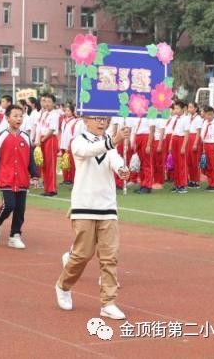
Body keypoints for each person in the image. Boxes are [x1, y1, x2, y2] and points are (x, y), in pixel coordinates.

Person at [55, 116, 130, 320]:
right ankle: (63, 285)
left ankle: (108, 302)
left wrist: (122, 170)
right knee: (82, 255)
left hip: (107, 207)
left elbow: (115, 160)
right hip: (84, 206)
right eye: (96, 119)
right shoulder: (79, 141)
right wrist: (113, 141)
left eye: (104, 119)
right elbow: (89, 152)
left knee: (109, 257)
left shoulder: (109, 144)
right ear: (86, 121)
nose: (101, 123)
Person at [0, 105, 39, 249]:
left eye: (21, 116)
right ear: (7, 118)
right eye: (15, 116)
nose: (18, 119)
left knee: (20, 209)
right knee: (9, 205)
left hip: (22, 178)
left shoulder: (26, 137)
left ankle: (15, 235)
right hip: (6, 178)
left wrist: (34, 175)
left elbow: (30, 159)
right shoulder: (2, 136)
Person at [36, 94, 59, 197]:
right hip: (43, 139)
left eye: (49, 101)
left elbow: (52, 129)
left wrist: (43, 139)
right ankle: (47, 188)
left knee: (51, 164)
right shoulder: (44, 113)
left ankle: (52, 189)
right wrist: (39, 140)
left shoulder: (55, 114)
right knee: (44, 164)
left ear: (54, 103)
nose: (47, 104)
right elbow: (40, 128)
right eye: (45, 101)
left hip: (50, 139)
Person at [132, 115, 156, 194]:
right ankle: (143, 184)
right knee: (141, 164)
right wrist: (134, 142)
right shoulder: (137, 117)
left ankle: (148, 185)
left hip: (146, 137)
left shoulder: (150, 115)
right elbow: (135, 130)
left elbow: (152, 130)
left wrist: (148, 145)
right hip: (138, 138)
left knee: (147, 163)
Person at [170, 101, 190, 193]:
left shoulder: (186, 118)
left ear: (182, 109)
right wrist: (170, 144)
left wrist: (183, 146)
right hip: (174, 139)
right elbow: (172, 132)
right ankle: (177, 184)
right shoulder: (174, 118)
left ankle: (183, 184)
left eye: (178, 108)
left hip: (181, 140)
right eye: (175, 108)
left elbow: (186, 133)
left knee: (182, 164)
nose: (176, 110)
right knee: (176, 163)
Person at [201, 106, 214, 192]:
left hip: (213, 145)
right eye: (207, 115)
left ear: (213, 115)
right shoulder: (204, 122)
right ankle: (210, 183)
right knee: (207, 165)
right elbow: (203, 136)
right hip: (206, 145)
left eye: (211, 115)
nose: (209, 117)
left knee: (213, 165)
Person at [187, 102, 204, 189]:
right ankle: (191, 179)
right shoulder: (188, 117)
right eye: (188, 107)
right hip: (189, 138)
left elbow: (198, 132)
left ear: (195, 108)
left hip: (195, 138)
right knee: (189, 161)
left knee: (194, 161)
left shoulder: (198, 119)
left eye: (191, 107)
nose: (189, 109)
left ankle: (196, 180)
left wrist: (195, 143)